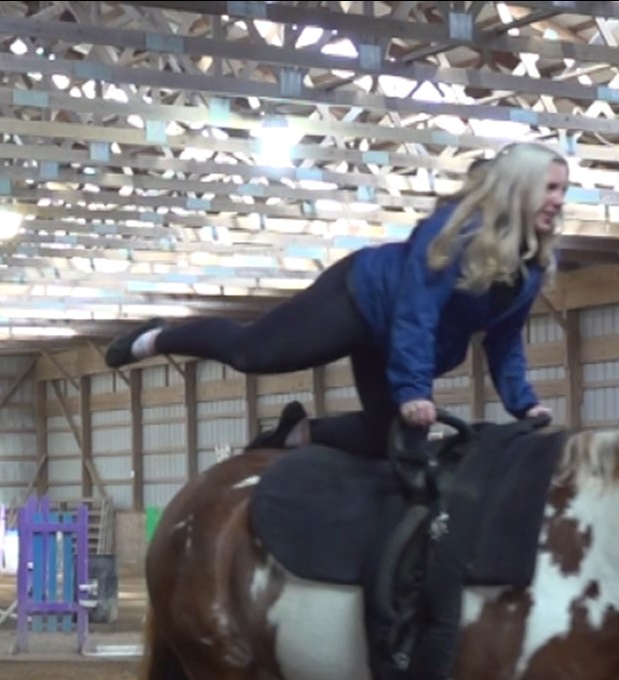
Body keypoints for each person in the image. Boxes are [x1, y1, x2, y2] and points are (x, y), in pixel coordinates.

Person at [99, 141, 565, 460]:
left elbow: (505, 342)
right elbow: (415, 314)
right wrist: (414, 392)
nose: (559, 200)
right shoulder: (451, 234)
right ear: (519, 187)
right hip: (360, 300)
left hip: (395, 345)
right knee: (253, 352)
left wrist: (525, 406)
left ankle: (298, 434)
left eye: (562, 189)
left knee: (398, 445)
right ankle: (156, 338)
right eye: (550, 188)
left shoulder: (531, 265)